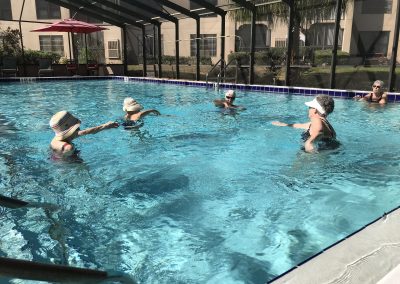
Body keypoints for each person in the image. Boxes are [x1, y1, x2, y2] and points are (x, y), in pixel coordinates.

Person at [272, 95, 337, 153]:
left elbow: (319, 130)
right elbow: (302, 125)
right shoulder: (324, 122)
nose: (308, 109)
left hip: (316, 153)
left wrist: (309, 143)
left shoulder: (316, 119)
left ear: (315, 110)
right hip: (329, 148)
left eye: (310, 107)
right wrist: (284, 124)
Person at [49, 110, 118, 156]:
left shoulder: (56, 140)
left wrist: (105, 126)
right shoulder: (68, 147)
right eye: (76, 127)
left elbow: (84, 132)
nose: (79, 128)